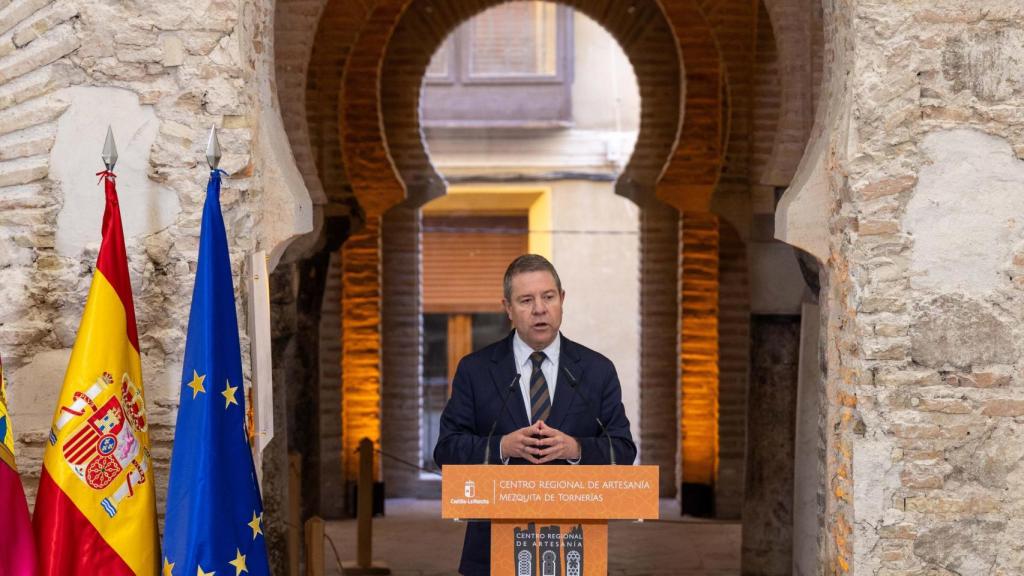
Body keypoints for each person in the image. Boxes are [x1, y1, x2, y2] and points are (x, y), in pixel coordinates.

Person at [434, 254, 637, 576]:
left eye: (548, 297)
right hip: (490, 549)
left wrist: (576, 450)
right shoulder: (475, 370)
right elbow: (446, 449)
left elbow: (623, 450)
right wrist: (503, 447)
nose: (539, 309)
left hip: (576, 548)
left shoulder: (597, 370)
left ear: (562, 299)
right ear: (508, 308)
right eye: (526, 300)